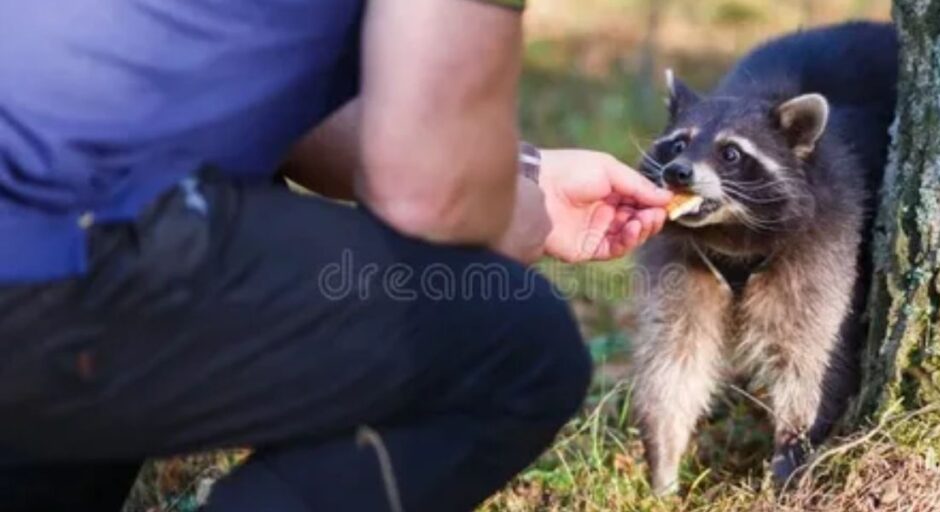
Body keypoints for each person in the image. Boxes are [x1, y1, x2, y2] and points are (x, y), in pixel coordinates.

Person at [0, 0, 671, 510]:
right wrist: (508, 205)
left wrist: (522, 168)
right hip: (47, 245)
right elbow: (430, 193)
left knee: (233, 182)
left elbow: (286, 114)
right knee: (516, 356)